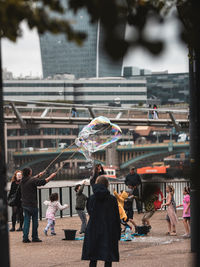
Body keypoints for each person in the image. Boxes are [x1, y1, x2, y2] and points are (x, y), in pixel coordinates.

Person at [82, 176, 121, 267]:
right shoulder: (112, 199)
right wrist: (118, 233)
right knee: (108, 257)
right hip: (108, 229)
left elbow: (90, 212)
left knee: (93, 257)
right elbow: (116, 217)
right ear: (107, 185)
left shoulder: (91, 198)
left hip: (93, 229)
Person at [21, 167, 56, 243]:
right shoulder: (32, 180)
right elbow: (43, 182)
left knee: (26, 221)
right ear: (29, 173)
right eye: (31, 171)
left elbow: (32, 180)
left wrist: (39, 175)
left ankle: (25, 238)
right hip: (32, 204)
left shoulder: (22, 180)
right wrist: (51, 177)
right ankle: (34, 237)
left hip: (25, 204)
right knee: (35, 222)